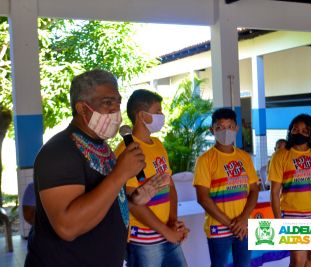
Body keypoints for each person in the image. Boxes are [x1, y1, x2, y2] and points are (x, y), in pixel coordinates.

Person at [25, 70, 167, 267]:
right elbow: (67, 226)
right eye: (107, 102)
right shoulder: (58, 152)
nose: (116, 110)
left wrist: (133, 200)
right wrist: (120, 174)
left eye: (117, 102)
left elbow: (102, 200)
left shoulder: (102, 148)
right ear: (83, 109)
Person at [114, 89, 188, 267]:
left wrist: (173, 222)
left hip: (167, 233)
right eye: (157, 112)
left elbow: (170, 187)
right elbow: (132, 203)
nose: (162, 116)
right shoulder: (127, 150)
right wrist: (166, 231)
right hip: (144, 240)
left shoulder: (158, 145)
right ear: (141, 116)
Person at [268, 114, 311, 267]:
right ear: (290, 131)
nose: (299, 133)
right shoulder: (280, 156)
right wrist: (278, 221)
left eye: (304, 130)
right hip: (293, 217)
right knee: (298, 260)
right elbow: (274, 192)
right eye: (296, 129)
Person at [193, 108, 259, 267]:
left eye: (229, 127)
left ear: (236, 128)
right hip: (218, 228)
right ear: (212, 130)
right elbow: (203, 198)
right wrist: (232, 224)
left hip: (244, 226)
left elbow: (254, 190)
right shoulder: (205, 160)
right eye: (220, 127)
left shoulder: (245, 157)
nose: (225, 131)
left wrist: (243, 219)